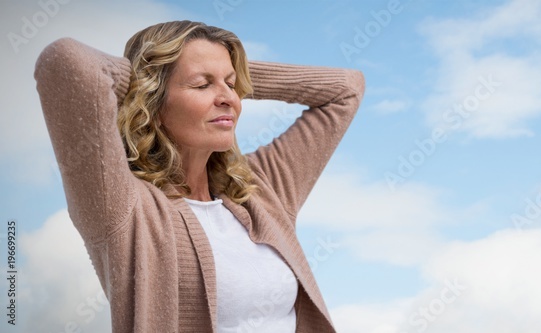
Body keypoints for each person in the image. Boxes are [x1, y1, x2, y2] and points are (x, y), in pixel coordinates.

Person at [35, 20, 364, 332]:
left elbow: (347, 89)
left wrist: (233, 71)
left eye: (232, 85)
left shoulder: (259, 188)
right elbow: (64, 63)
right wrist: (143, 75)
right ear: (154, 103)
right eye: (202, 84)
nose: (229, 99)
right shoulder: (123, 206)